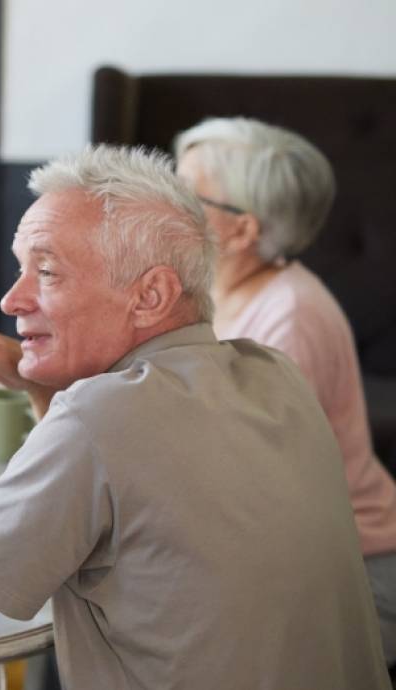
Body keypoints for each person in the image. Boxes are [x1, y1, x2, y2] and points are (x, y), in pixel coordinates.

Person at [0, 145, 389, 688]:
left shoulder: (97, 419)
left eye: (47, 271)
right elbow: (107, 485)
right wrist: (41, 382)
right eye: (21, 268)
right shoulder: (275, 375)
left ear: (151, 295)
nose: (10, 299)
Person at [175, 116, 396, 663]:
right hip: (282, 556)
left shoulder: (289, 319)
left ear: (243, 230)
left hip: (351, 574)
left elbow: (250, 493)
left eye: (184, 194)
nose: (164, 206)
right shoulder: (212, 293)